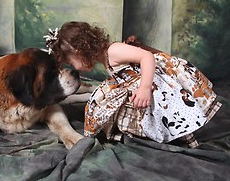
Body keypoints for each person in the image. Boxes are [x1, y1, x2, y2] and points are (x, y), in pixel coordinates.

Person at [43, 21, 222, 148]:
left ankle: (178, 133)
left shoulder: (113, 51)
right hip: (138, 83)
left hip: (153, 83)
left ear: (80, 51)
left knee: (164, 110)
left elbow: (147, 57)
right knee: (104, 98)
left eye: (71, 62)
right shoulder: (106, 57)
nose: (74, 67)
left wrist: (144, 88)